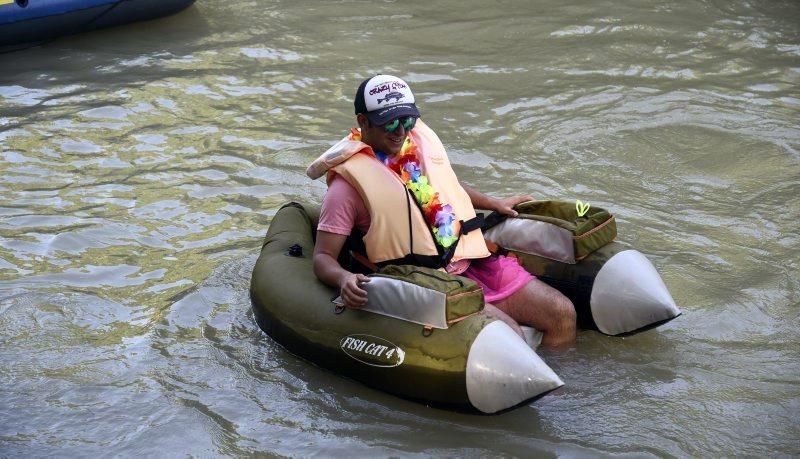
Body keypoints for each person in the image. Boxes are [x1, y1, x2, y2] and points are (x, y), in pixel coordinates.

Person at [306, 74, 576, 347]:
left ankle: (561, 389)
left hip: (469, 263)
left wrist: (493, 202)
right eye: (389, 122)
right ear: (363, 122)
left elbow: (446, 188)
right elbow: (323, 257)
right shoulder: (345, 189)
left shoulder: (414, 149)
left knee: (562, 313)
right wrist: (344, 279)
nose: (401, 131)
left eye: (407, 120)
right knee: (509, 337)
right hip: (424, 282)